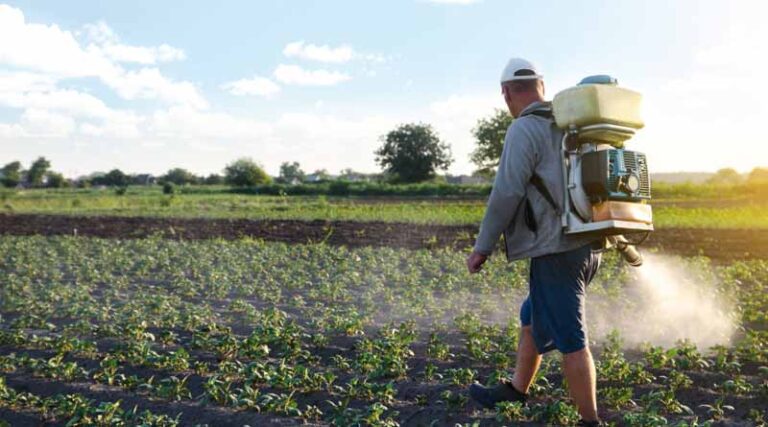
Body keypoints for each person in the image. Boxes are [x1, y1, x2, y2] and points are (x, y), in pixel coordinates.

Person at [465, 57, 604, 426]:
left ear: (506, 92)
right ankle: (516, 389)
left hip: (557, 250)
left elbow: (507, 191)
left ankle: (590, 420)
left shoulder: (524, 128)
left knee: (572, 338)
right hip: (587, 245)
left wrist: (483, 245)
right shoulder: (570, 124)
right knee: (531, 315)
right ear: (541, 86)